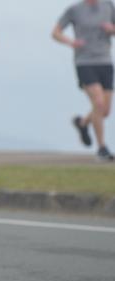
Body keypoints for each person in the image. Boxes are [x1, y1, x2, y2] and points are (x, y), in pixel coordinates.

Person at [53, 0, 115, 161]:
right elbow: (55, 33)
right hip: (85, 62)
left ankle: (82, 123)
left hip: (105, 61)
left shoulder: (108, 6)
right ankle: (102, 148)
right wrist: (71, 42)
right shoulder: (74, 10)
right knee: (98, 103)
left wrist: (112, 29)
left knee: (105, 111)